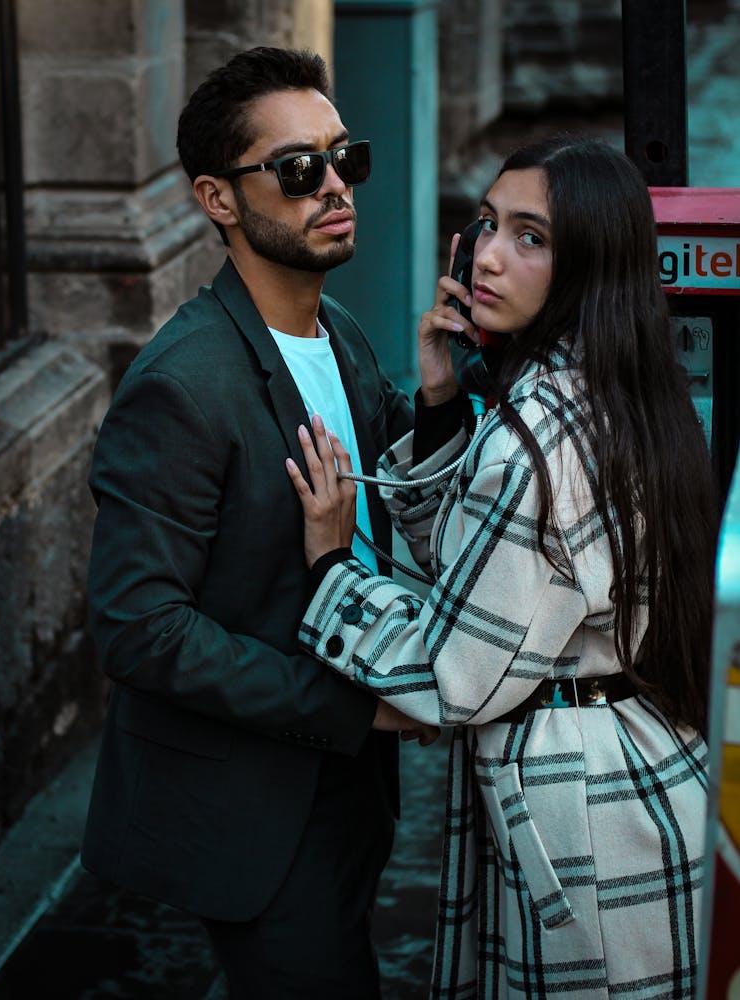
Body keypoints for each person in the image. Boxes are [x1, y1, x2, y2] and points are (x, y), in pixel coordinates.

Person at [286, 135, 717, 999]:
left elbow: (459, 674)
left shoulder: (538, 436)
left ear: (588, 264)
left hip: (582, 817)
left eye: (531, 237)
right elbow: (491, 572)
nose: (485, 254)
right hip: (637, 769)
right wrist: (444, 400)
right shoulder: (614, 384)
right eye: (486, 224)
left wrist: (333, 567)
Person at [80, 46, 439, 1000]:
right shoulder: (181, 388)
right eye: (297, 168)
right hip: (255, 803)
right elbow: (136, 627)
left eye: (343, 158)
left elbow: (405, 480)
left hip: (350, 782)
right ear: (218, 199)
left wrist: (440, 399)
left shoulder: (340, 332)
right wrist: (354, 706)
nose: (334, 186)